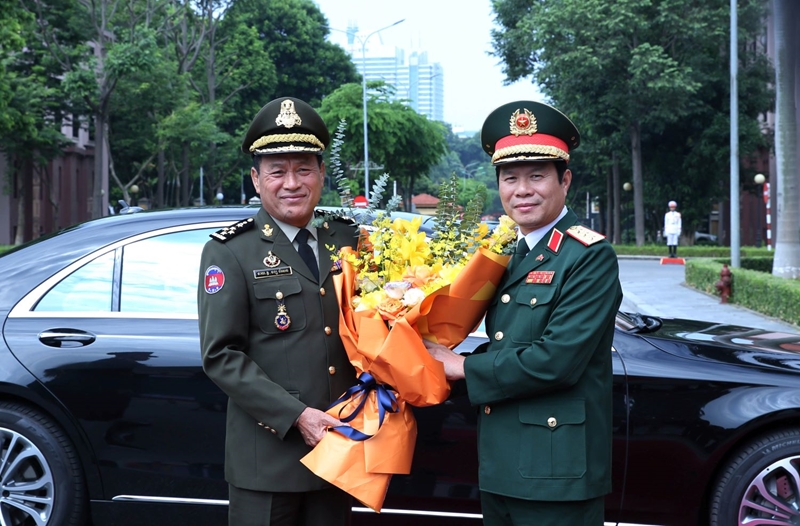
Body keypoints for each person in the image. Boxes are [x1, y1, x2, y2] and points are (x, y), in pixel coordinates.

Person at [425, 100, 622, 526]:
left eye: (537, 176)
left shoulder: (588, 256)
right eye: (510, 178)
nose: (522, 190)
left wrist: (462, 367)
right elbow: (506, 343)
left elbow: (557, 361)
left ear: (564, 180)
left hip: (557, 471)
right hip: (502, 467)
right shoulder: (509, 254)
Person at [197, 96, 358, 526]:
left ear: (322, 174)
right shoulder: (230, 251)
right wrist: (297, 416)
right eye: (278, 171)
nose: (292, 183)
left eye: (304, 168)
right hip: (267, 462)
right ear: (256, 178)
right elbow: (221, 356)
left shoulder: (346, 238)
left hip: (337, 451)